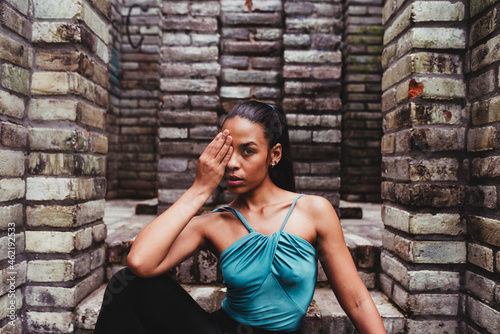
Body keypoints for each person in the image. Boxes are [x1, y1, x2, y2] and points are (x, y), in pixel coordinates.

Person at [94, 101, 386, 334]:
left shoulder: (314, 211)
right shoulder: (215, 222)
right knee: (127, 284)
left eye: (248, 151)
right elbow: (139, 263)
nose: (232, 163)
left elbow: (359, 302)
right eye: (227, 151)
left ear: (274, 154)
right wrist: (199, 189)